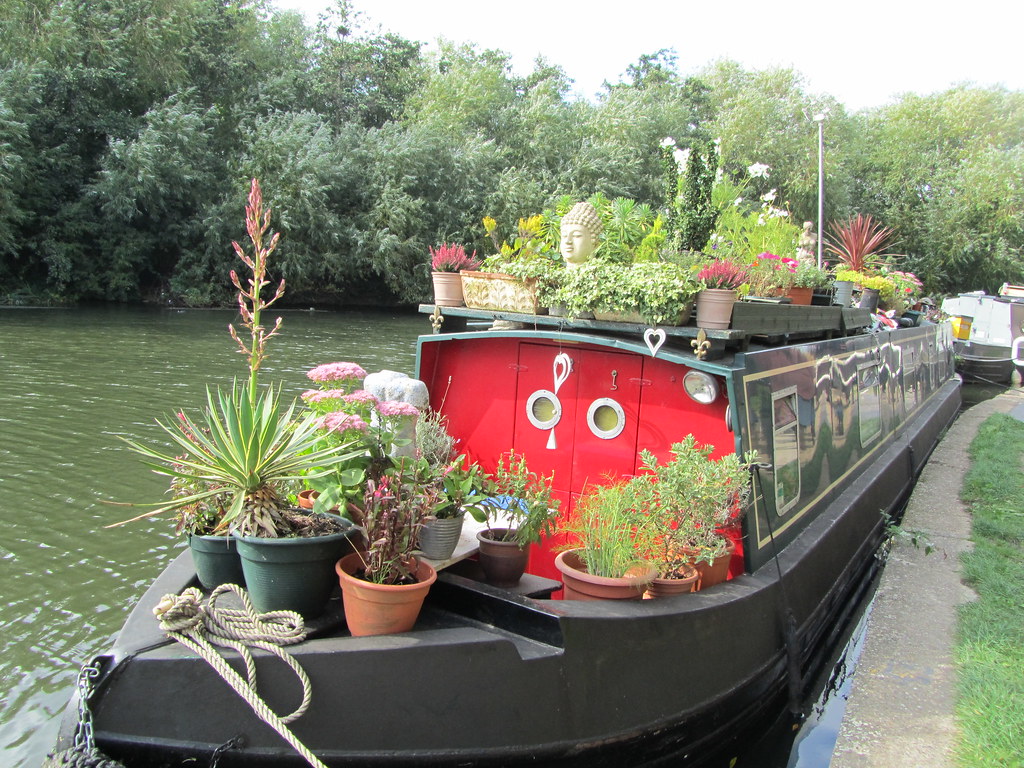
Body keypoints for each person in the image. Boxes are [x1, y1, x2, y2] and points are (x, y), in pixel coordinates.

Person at [559, 202, 602, 267]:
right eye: (564, 236)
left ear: (595, 245)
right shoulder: (551, 275)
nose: (568, 241)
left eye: (576, 236)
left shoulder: (605, 275)